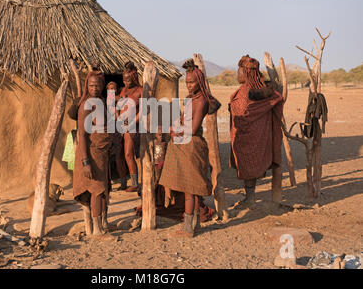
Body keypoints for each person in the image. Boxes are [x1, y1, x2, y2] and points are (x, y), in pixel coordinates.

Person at [158, 59, 221, 237]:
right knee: (189, 190)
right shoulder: (189, 99)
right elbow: (183, 121)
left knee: (190, 191)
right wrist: (173, 127)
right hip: (184, 143)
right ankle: (195, 225)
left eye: (192, 82)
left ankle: (188, 227)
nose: (188, 85)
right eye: (186, 82)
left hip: (192, 145)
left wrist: (175, 131)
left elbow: (193, 129)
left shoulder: (201, 101)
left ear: (199, 82)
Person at [229, 55, 284, 208]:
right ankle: (250, 197)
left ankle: (250, 199)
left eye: (239, 71)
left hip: (252, 136)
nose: (237, 74)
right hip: (247, 136)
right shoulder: (254, 89)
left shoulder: (253, 90)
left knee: (249, 167)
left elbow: (245, 111)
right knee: (247, 168)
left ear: (247, 73)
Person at [73, 71, 113, 238]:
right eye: (91, 85)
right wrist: (85, 162)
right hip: (90, 154)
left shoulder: (101, 102)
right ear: (86, 86)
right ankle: (96, 231)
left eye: (97, 85)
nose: (94, 88)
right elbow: (81, 134)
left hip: (101, 153)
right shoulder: (86, 105)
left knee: (102, 190)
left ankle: (102, 227)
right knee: (95, 190)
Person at [118, 62, 143, 193]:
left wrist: (133, 122)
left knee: (129, 154)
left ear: (133, 78)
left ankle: (135, 183)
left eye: (128, 79)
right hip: (121, 126)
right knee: (120, 155)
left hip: (132, 127)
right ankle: (123, 181)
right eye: (124, 80)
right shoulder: (124, 90)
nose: (126, 82)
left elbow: (144, 110)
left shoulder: (140, 91)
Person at [106, 81, 129, 190]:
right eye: (110, 89)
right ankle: (107, 183)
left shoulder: (117, 99)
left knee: (119, 158)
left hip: (118, 131)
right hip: (109, 131)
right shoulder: (107, 100)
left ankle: (123, 182)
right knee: (106, 158)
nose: (112, 90)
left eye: (114, 88)